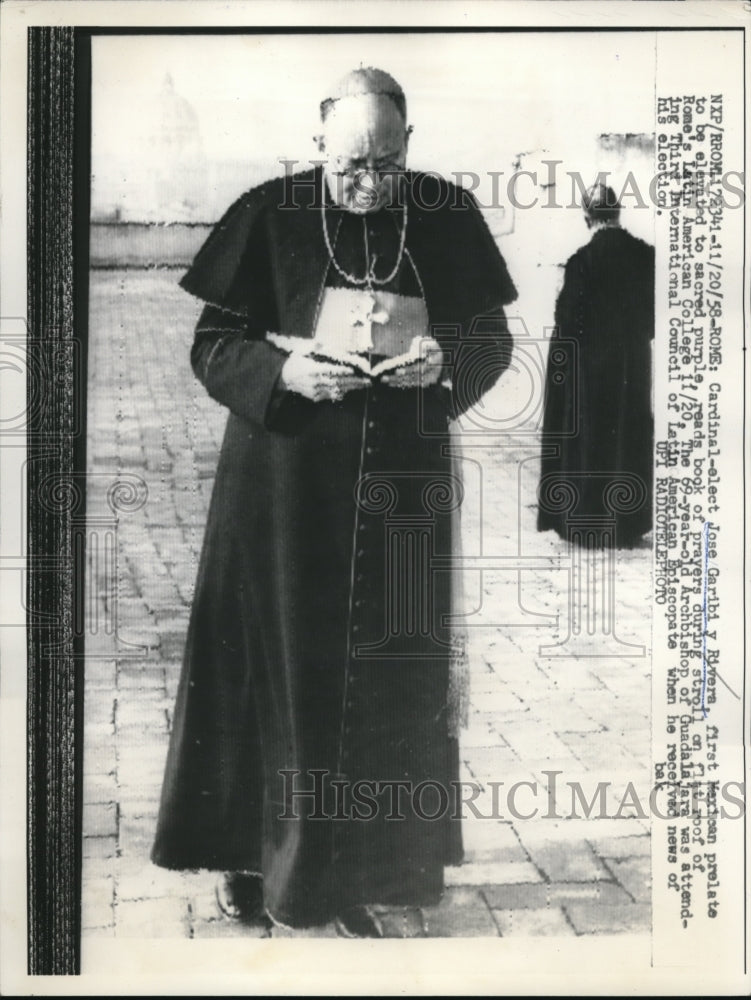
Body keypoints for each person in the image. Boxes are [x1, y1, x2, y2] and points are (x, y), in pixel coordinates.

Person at [151, 67, 517, 936]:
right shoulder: (269, 210)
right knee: (267, 668)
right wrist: (281, 370)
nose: (366, 181)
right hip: (281, 485)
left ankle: (358, 872)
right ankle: (248, 859)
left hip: (401, 487)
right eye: (349, 163)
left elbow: (488, 342)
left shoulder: (445, 213)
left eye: (384, 163)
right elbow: (214, 345)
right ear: (318, 144)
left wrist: (444, 367)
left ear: (406, 147)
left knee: (385, 680)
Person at [537, 182, 655, 548]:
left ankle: (587, 522)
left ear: (587, 217)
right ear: (618, 213)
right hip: (632, 367)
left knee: (590, 438)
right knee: (628, 433)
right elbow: (653, 319)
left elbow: (568, 320)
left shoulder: (581, 261)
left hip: (589, 369)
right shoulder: (647, 256)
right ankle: (627, 524)